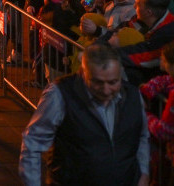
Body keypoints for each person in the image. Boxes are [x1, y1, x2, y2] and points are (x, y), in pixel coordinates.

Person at [19, 42, 149, 186]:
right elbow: (33, 143)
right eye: (97, 82)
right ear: (83, 73)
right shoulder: (60, 94)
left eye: (113, 82)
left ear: (121, 73)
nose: (106, 90)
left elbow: (142, 136)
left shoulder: (133, 95)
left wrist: (143, 173)